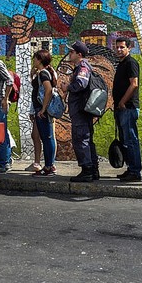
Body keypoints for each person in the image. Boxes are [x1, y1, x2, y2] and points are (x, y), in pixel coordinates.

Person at [60, 40, 99, 182]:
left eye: (72, 52)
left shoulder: (83, 67)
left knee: (81, 139)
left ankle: (87, 170)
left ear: (79, 54)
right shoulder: (81, 67)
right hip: (82, 109)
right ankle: (93, 170)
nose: (69, 54)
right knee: (86, 139)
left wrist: (68, 87)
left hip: (80, 110)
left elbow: (81, 84)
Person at [113, 36, 142, 182]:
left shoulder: (131, 63)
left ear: (129, 48)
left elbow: (134, 84)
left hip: (128, 108)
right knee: (125, 140)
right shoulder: (121, 63)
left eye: (122, 47)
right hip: (121, 108)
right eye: (117, 47)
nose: (119, 49)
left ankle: (135, 171)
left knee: (131, 140)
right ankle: (131, 168)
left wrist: (123, 102)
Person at [31, 49, 58, 177]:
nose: (33, 60)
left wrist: (43, 109)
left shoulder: (43, 74)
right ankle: (49, 165)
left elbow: (48, 90)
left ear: (40, 60)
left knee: (47, 138)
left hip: (42, 111)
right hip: (40, 109)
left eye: (35, 58)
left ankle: (49, 166)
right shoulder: (42, 73)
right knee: (45, 137)